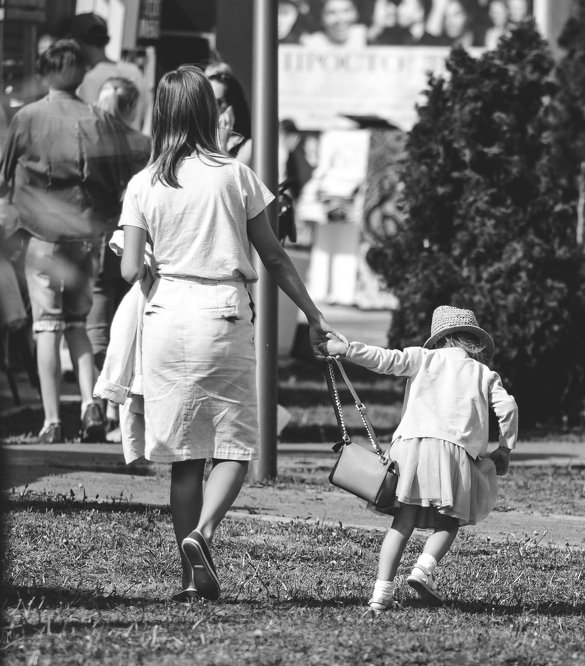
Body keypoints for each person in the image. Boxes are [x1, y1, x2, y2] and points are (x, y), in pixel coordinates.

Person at [117, 65, 345, 602]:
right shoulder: (233, 175)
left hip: (167, 315)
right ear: (204, 110)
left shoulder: (144, 182)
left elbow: (129, 270)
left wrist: (152, 257)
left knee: (182, 455)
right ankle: (205, 533)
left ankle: (189, 577)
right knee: (234, 447)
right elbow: (274, 255)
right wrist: (314, 316)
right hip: (221, 312)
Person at [323, 305, 518, 614]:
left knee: (402, 522)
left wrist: (346, 349)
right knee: (449, 520)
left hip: (410, 448)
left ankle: (379, 595)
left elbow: (384, 360)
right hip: (454, 452)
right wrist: (504, 448)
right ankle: (423, 569)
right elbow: (508, 408)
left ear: (439, 340)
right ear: (473, 342)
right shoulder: (483, 373)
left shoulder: (422, 358)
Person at [0, 40, 123, 444]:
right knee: (77, 325)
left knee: (47, 326)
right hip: (86, 236)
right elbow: (113, 182)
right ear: (83, 73)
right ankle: (91, 405)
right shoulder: (97, 118)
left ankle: (52, 420)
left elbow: (4, 176)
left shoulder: (27, 117)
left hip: (41, 235)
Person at [86, 76, 152, 443]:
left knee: (97, 325)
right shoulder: (142, 145)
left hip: (93, 240)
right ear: (131, 107)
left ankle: (96, 401)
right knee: (126, 324)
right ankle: (116, 406)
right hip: (131, 242)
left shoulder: (88, 141)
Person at [71, 13, 150, 133]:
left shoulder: (89, 79)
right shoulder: (134, 71)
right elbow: (147, 116)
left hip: (105, 150)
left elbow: (88, 128)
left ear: (77, 42)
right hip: (137, 147)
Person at [206, 70, 253, 166]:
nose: (209, 109)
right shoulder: (202, 140)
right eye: (205, 102)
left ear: (232, 106)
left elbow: (233, 177)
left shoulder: (248, 146)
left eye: (217, 103)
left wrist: (222, 145)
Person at [302, 0, 368, 47]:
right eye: (332, 12)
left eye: (346, 11)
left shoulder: (365, 37)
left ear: (356, 13)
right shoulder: (312, 44)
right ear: (321, 18)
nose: (340, 19)